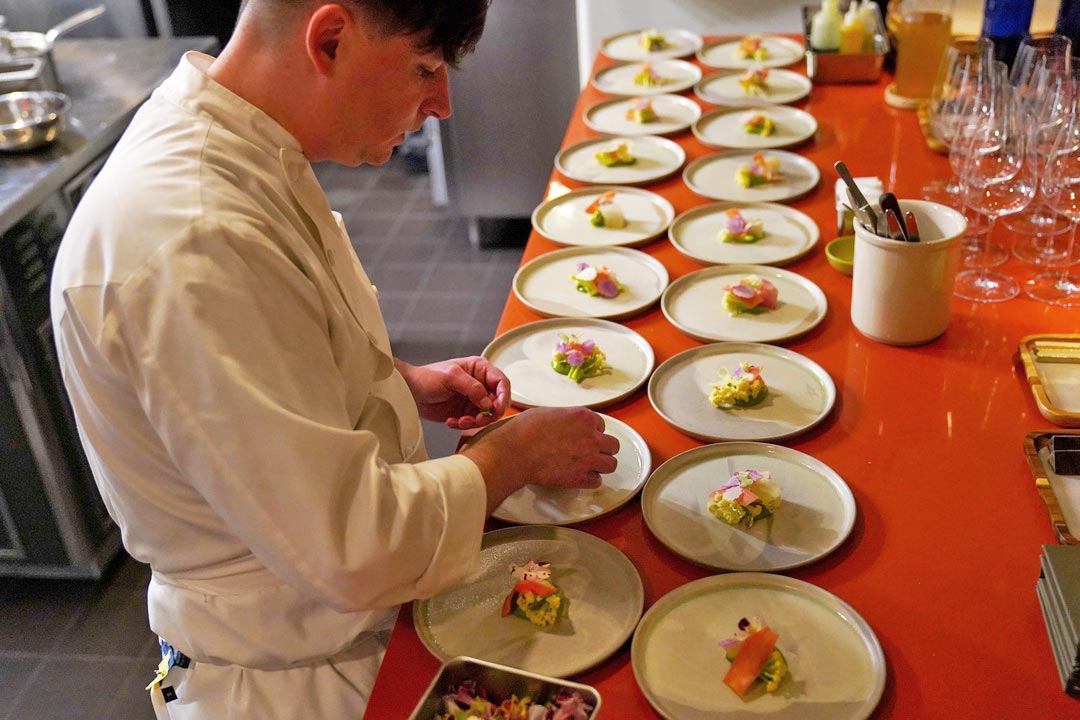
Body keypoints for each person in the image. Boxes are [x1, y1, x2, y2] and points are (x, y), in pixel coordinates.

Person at [49, 1, 620, 718]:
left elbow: (269, 351)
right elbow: (350, 544)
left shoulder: (236, 141)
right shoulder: (191, 237)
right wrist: (515, 458)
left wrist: (396, 380)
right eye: (425, 69)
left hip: (331, 626)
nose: (441, 104)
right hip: (295, 677)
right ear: (329, 38)